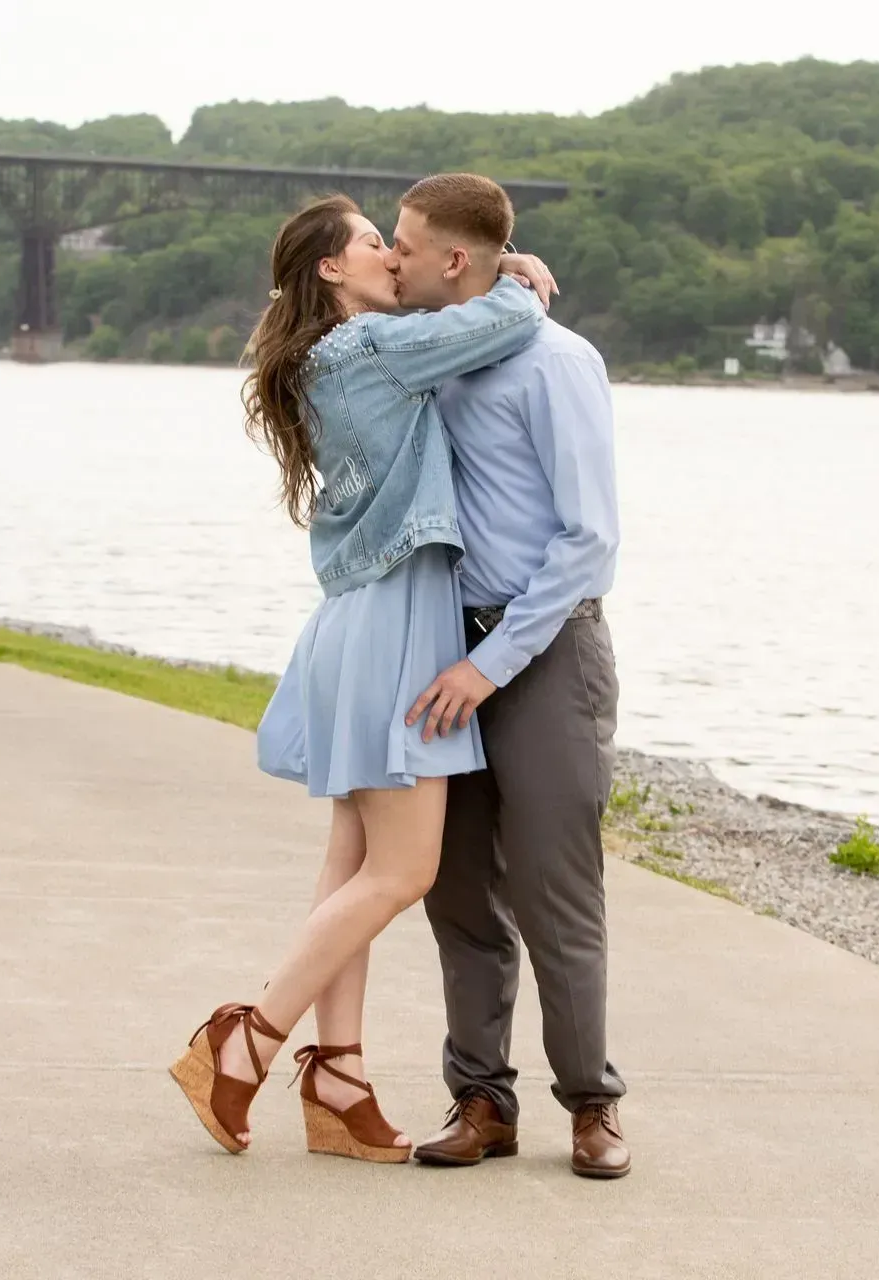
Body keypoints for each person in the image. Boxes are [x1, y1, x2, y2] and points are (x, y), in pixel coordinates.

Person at [169, 192, 557, 1164]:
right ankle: (247, 1036)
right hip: (395, 622)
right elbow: (507, 317)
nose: (393, 257)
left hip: (355, 619)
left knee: (351, 858)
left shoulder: (325, 361)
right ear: (333, 272)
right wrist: (515, 269)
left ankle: (338, 1075)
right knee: (404, 870)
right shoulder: (372, 352)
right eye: (376, 245)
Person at [385, 175, 629, 1179]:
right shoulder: (430, 351)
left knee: (554, 893)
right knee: (456, 893)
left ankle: (593, 1105)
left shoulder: (559, 363)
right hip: (445, 653)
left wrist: (489, 667)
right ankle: (482, 1098)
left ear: (455, 259)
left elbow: (588, 540)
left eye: (405, 244)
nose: (392, 257)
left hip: (544, 654)